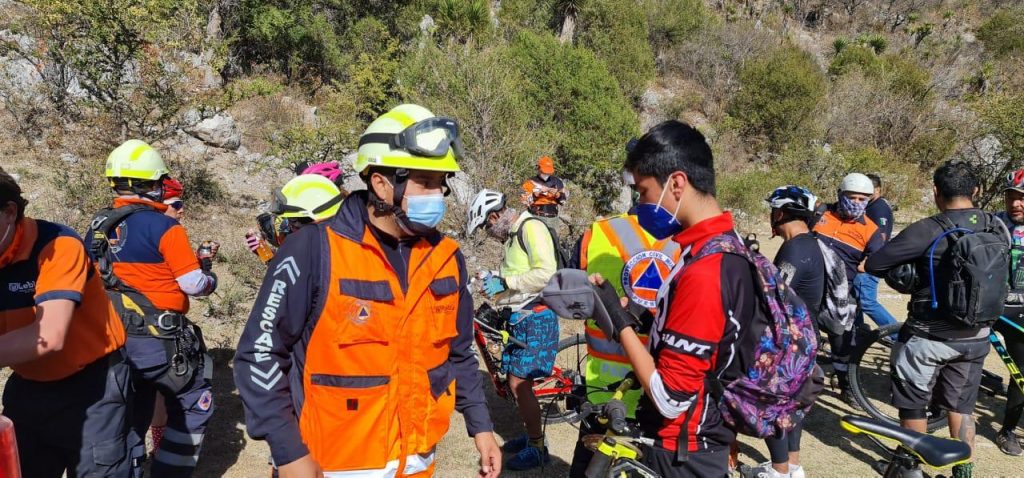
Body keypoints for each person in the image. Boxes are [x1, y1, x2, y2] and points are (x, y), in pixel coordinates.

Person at [234, 104, 501, 478]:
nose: (437, 194)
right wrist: (288, 452)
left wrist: (481, 426)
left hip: (416, 463)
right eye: (425, 182)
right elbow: (259, 353)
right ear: (381, 183)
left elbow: (458, 353)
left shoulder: (446, 258)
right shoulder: (314, 249)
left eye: (440, 183)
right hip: (328, 465)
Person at [585, 120, 770, 477]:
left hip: (683, 450)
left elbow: (669, 399)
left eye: (643, 191)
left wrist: (618, 321)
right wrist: (640, 315)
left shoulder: (706, 270)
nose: (640, 204)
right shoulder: (719, 246)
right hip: (696, 440)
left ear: (677, 183)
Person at [86, 139, 219, 477]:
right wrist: (210, 277)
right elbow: (193, 284)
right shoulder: (165, 227)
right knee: (195, 402)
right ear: (150, 185)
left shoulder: (99, 224)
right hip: (158, 340)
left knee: (131, 411)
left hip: (110, 337)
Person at [865, 161, 1001, 478]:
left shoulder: (929, 228)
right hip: (977, 336)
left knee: (913, 404)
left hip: (927, 337)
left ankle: (911, 467)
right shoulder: (995, 226)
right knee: (962, 407)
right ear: (976, 190)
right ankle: (964, 470)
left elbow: (876, 264)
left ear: (936, 191)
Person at [0, 167, 137, 477]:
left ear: (9, 212)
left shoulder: (57, 246)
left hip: (92, 388)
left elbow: (48, 335)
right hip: (28, 385)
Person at [566, 186, 681, 478]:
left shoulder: (599, 233)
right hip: (659, 392)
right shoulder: (688, 239)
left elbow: (571, 297)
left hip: (603, 389)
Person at [467, 188, 560, 471]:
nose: (489, 233)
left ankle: (538, 448)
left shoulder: (531, 228)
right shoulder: (513, 236)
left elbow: (545, 273)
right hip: (520, 317)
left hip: (536, 317)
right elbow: (517, 274)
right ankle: (531, 435)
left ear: (495, 217)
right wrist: (494, 279)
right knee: (514, 382)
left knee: (520, 383)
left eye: (486, 227)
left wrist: (505, 282)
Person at [812, 172, 885, 407]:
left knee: (842, 342)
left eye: (862, 199)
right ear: (840, 194)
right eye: (851, 197)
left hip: (841, 295)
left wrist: (869, 265)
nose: (856, 202)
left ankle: (846, 386)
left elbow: (879, 259)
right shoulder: (820, 214)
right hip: (811, 288)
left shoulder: (871, 230)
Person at [150, 175, 187, 455]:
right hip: (157, 322)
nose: (181, 210)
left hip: (127, 320)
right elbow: (192, 283)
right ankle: (161, 447)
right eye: (176, 204)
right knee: (160, 391)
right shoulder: (167, 231)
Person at [244, 174, 345, 263]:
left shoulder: (334, 256)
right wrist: (267, 255)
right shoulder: (312, 243)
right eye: (289, 218)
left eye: (298, 219)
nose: (291, 224)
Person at [994, 169, 1024, 456]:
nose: (1015, 203)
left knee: (1021, 373)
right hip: (986, 307)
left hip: (1020, 314)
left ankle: (1008, 430)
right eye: (1011, 197)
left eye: (1022, 198)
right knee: (958, 361)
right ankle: (940, 410)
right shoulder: (992, 224)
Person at [853, 174, 898, 332]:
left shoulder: (879, 208)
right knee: (854, 299)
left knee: (867, 302)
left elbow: (881, 238)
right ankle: (857, 330)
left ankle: (898, 334)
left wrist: (866, 262)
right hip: (862, 261)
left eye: (867, 190)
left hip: (869, 263)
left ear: (877, 190)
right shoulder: (870, 205)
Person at [521, 155, 566, 231]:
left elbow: (563, 201)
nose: (546, 174)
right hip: (536, 217)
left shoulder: (558, 182)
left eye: (548, 173)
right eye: (544, 172)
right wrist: (537, 193)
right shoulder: (530, 182)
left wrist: (557, 194)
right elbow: (524, 201)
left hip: (553, 219)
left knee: (553, 238)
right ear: (539, 169)